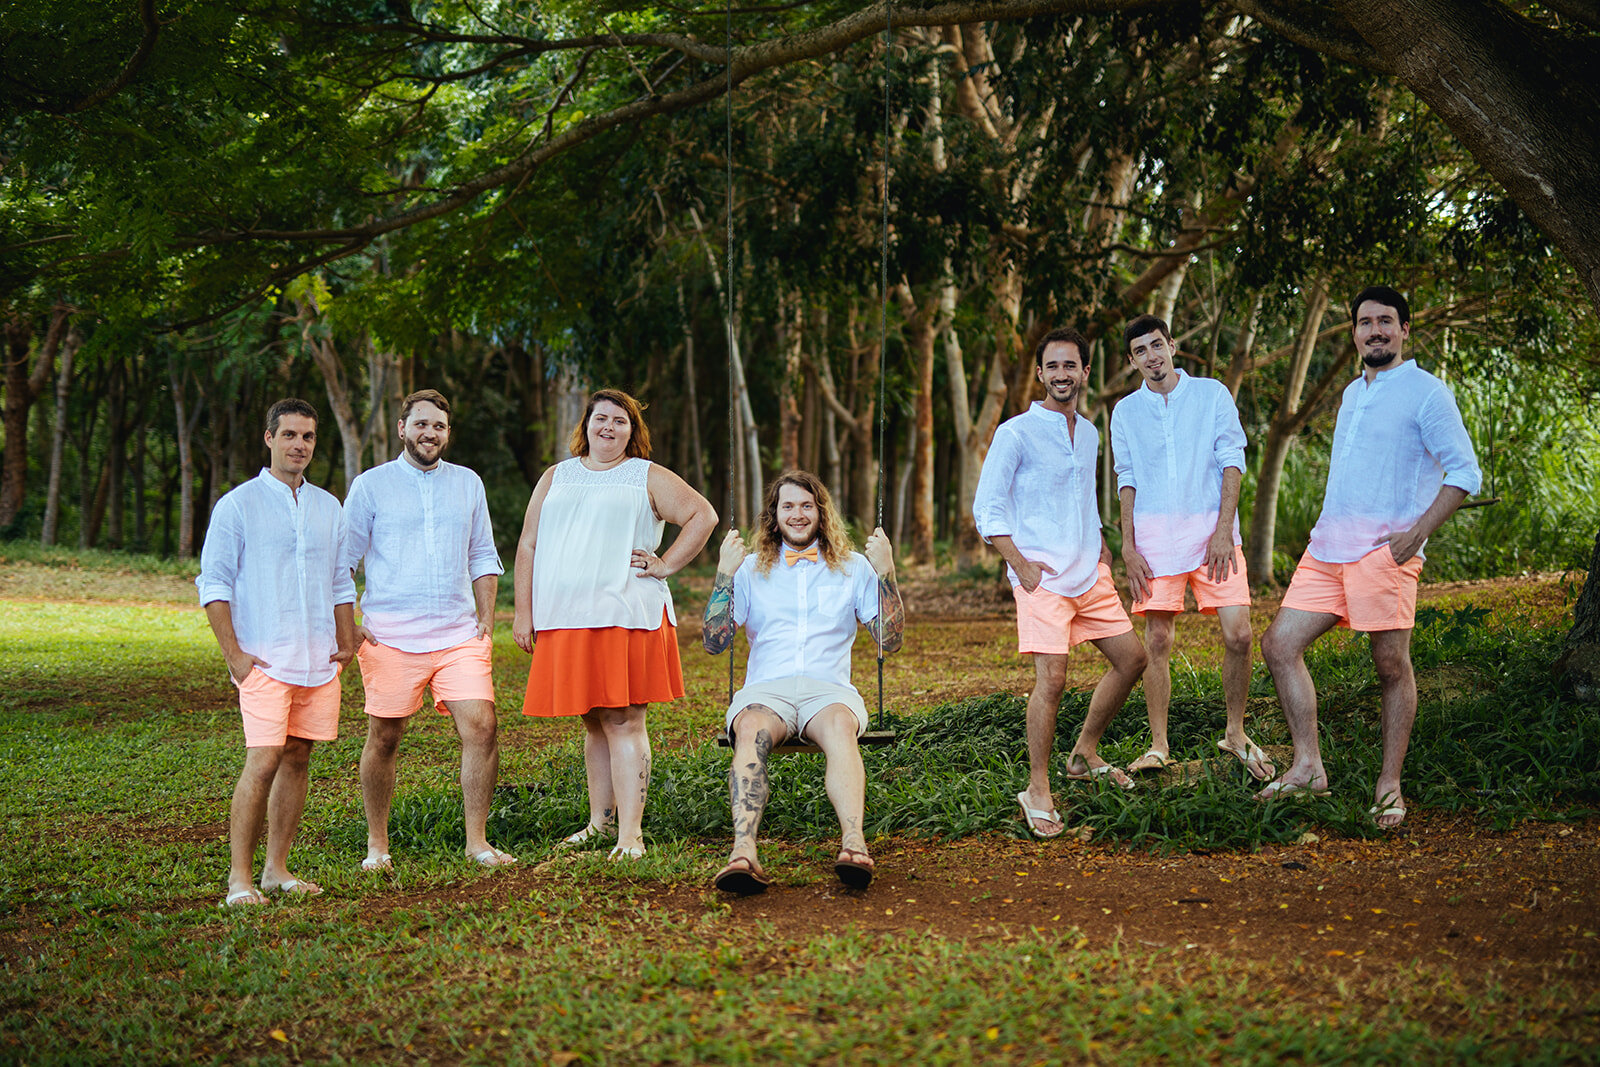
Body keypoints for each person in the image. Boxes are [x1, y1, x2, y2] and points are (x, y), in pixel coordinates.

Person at [1258, 286, 1481, 829]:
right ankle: (1308, 766)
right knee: (1279, 644)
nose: (1374, 330)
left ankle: (1389, 783)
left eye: (1386, 321)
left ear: (1405, 329)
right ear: (1355, 333)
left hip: (1385, 553)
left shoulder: (1428, 393)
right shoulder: (1352, 393)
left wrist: (1416, 534)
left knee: (1390, 666)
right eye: (1365, 322)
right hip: (1326, 548)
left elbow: (1465, 473)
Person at [512, 388, 716, 860]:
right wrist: (524, 612)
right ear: (584, 425)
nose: (609, 427)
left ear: (633, 431)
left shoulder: (644, 475)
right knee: (593, 720)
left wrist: (665, 563)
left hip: (627, 614)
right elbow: (527, 545)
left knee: (624, 719)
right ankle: (599, 824)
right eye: (600, 418)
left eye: (620, 421)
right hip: (565, 616)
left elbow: (701, 516)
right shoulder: (555, 476)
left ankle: (631, 835)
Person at [973, 326, 1149, 839]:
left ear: (1085, 372)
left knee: (1133, 659)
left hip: (1088, 573)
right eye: (1053, 366)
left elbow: (1083, 498)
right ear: (1040, 373)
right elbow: (987, 508)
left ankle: (1084, 752)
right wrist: (1020, 565)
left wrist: (1101, 546)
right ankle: (1038, 788)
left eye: (1071, 366)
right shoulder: (1015, 433)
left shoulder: (1091, 431)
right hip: (1042, 579)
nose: (1062, 375)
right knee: (1051, 681)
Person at [702, 471, 906, 895]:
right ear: (774, 516)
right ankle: (743, 852)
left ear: (821, 512)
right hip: (766, 690)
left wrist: (886, 573)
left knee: (837, 728)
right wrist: (723, 574)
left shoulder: (853, 568)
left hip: (828, 689)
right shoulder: (750, 570)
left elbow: (891, 639)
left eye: (807, 506)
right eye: (788, 506)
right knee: (751, 730)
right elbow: (714, 642)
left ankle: (853, 843)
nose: (798, 514)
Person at [341, 389, 514, 871]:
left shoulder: (468, 483)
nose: (429, 433)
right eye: (420, 424)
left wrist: (485, 618)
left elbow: (482, 554)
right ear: (402, 429)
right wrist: (349, 624)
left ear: (447, 432)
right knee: (385, 737)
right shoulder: (371, 486)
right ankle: (378, 845)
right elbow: (342, 561)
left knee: (482, 726)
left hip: (459, 634)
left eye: (438, 426)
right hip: (390, 636)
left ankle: (477, 842)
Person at [197, 398, 356, 907]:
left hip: (317, 660)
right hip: (264, 659)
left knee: (298, 758)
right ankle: (238, 882)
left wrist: (347, 639)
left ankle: (276, 870)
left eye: (308, 437)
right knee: (263, 760)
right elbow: (213, 584)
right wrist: (236, 657)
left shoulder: (329, 506)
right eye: (289, 435)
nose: (300, 446)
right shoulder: (238, 504)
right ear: (269, 438)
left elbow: (339, 580)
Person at [1110, 314, 1273, 780]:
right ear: (1132, 360)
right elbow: (1127, 478)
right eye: (1141, 351)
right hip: (1156, 541)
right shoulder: (1125, 412)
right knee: (1157, 640)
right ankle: (1159, 745)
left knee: (1239, 634)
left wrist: (1224, 529)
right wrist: (1128, 545)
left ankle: (1236, 733)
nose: (1151, 357)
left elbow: (1231, 461)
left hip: (1213, 535)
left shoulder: (1212, 394)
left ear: (1172, 345)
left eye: (1157, 346)